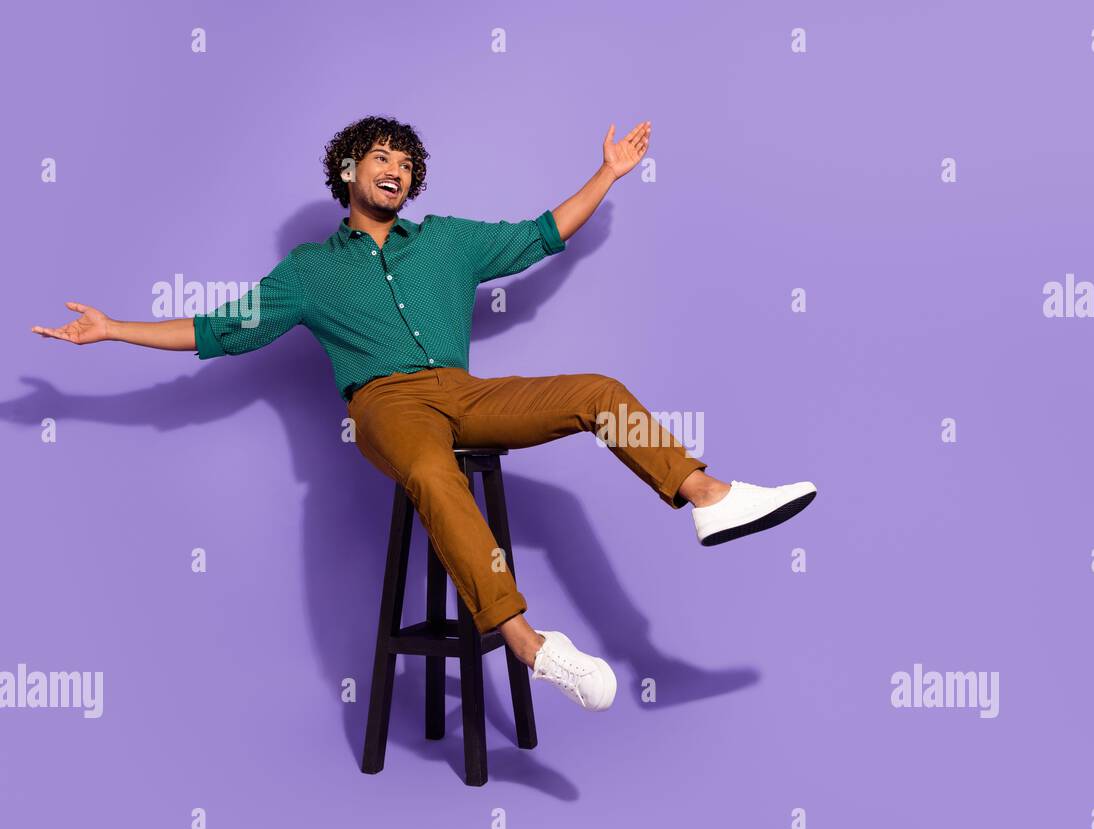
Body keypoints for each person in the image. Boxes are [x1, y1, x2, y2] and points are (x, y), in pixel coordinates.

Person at [31, 115, 816, 713]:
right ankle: (531, 645)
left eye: (407, 165)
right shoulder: (308, 271)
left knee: (597, 390)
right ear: (349, 170)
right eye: (382, 159)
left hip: (464, 391)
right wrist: (114, 328)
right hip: (384, 405)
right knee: (434, 475)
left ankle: (707, 497)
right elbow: (216, 331)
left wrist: (605, 174)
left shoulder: (445, 242)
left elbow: (540, 235)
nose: (396, 172)